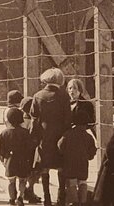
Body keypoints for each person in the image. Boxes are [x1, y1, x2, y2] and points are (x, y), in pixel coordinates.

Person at [30, 67, 71, 206]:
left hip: (44, 136)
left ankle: (47, 197)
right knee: (61, 167)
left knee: (44, 168)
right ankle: (61, 197)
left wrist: (34, 137)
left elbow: (34, 118)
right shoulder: (64, 96)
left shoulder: (37, 96)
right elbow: (67, 119)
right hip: (60, 136)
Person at [57, 108, 96, 206]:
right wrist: (88, 156)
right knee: (83, 182)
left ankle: (73, 202)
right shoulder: (89, 137)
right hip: (83, 164)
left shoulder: (67, 134)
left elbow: (60, 146)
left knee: (72, 182)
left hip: (70, 164)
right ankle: (83, 202)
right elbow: (92, 152)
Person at [0, 107, 33, 206]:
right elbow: (29, 147)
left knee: (11, 181)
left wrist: (5, 157)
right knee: (22, 180)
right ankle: (20, 197)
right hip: (22, 159)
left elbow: (1, 150)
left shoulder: (4, 133)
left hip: (10, 159)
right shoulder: (26, 133)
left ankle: (11, 199)